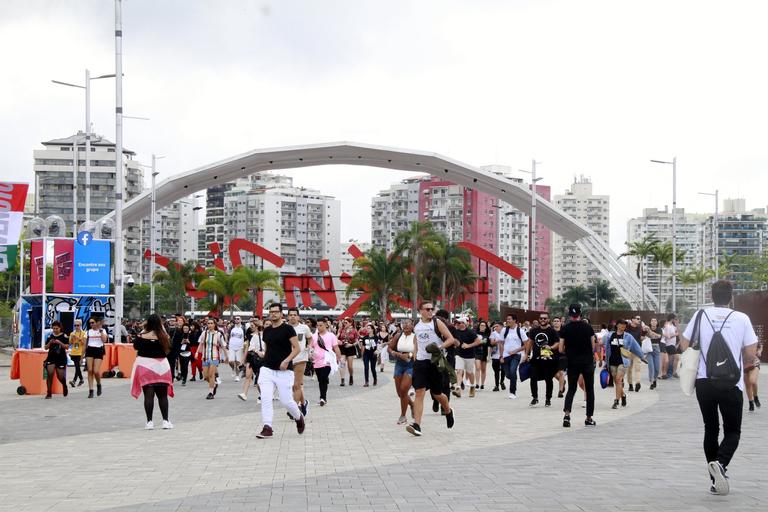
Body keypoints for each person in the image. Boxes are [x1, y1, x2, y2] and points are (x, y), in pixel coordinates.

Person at [680, 280, 758, 496]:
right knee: (732, 431)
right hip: (732, 383)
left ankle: (715, 479)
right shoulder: (742, 318)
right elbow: (751, 353)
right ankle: (721, 464)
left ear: (711, 296)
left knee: (710, 428)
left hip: (705, 381)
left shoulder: (700, 315)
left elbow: (684, 345)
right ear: (731, 297)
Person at [256, 303, 305, 439]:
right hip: (267, 369)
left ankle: (298, 416)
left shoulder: (288, 329)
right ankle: (267, 427)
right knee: (266, 398)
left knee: (286, 401)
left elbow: (296, 348)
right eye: (271, 312)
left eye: (276, 312)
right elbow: (268, 349)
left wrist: (287, 360)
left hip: (284, 371)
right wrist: (263, 355)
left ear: (281, 314)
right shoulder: (267, 331)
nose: (273, 314)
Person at [407, 301, 456, 437]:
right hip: (421, 363)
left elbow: (450, 339)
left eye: (431, 309)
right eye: (427, 309)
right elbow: (416, 339)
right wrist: (416, 353)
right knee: (419, 392)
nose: (430, 311)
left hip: (435, 362)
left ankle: (448, 410)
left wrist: (439, 348)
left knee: (437, 394)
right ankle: (417, 425)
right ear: (420, 311)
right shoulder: (416, 323)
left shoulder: (437, 323)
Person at [131, 314, 174, 430]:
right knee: (163, 396)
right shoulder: (164, 336)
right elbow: (169, 350)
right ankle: (165, 420)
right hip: (162, 368)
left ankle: (149, 422)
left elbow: (135, 347)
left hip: (145, 367)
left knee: (148, 396)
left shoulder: (141, 335)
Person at [558, 304, 597, 427]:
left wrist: (569, 352)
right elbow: (593, 346)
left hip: (572, 362)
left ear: (569, 314)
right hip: (587, 362)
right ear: (580, 314)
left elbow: (560, 348)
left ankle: (567, 416)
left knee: (571, 389)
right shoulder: (588, 327)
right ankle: (589, 418)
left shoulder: (565, 329)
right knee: (589, 390)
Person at [604, 319, 646, 409]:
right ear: (617, 325)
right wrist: (605, 361)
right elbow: (606, 348)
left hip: (623, 361)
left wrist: (642, 357)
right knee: (616, 381)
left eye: (625, 325)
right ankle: (623, 395)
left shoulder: (628, 336)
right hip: (612, 360)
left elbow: (636, 347)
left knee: (619, 380)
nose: (623, 326)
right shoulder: (610, 335)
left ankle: (616, 401)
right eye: (622, 325)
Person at [526, 313, 559, 407]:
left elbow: (557, 343)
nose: (543, 320)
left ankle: (548, 399)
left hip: (548, 359)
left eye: (545, 318)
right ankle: (535, 397)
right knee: (533, 377)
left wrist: (551, 347)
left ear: (548, 319)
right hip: (536, 358)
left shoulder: (552, 331)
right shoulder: (534, 330)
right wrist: (527, 354)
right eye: (541, 318)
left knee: (548, 379)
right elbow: (530, 342)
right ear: (539, 320)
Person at [388, 319, 415, 425]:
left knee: (404, 389)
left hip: (411, 364)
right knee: (400, 393)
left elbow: (419, 350)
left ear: (413, 326)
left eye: (408, 324)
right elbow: (389, 348)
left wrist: (409, 355)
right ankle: (412, 405)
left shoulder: (416, 336)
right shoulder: (398, 336)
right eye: (404, 324)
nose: (406, 325)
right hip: (399, 363)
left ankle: (403, 415)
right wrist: (397, 354)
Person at [310, 317, 342, 406]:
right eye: (318, 325)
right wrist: (310, 354)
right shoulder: (314, 336)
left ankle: (322, 398)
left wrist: (339, 358)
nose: (319, 327)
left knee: (323, 378)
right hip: (317, 361)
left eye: (321, 325)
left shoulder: (331, 335)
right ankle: (323, 396)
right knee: (321, 380)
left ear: (326, 325)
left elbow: (336, 347)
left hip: (327, 360)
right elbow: (311, 347)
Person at [286, 308, 311, 416]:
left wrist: (308, 346)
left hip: (301, 358)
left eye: (294, 315)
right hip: (288, 359)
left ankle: (294, 410)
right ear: (287, 317)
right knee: (293, 386)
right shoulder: (284, 328)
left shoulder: (304, 328)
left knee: (297, 384)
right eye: (290, 315)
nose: (292, 317)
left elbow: (310, 338)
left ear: (298, 317)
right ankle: (304, 402)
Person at [197, 318, 228, 399]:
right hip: (205, 357)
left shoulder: (218, 334)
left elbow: (223, 346)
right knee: (206, 376)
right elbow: (201, 343)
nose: (210, 325)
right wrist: (197, 352)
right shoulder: (204, 333)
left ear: (214, 324)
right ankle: (214, 384)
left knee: (211, 375)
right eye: (208, 323)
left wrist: (226, 356)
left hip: (214, 357)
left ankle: (211, 392)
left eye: (211, 323)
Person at [452, 316, 481, 398]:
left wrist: (468, 345)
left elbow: (478, 341)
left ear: (464, 324)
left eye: (461, 323)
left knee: (469, 372)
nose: (459, 324)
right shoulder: (456, 331)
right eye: (458, 323)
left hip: (469, 355)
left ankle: (472, 386)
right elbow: (453, 340)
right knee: (459, 371)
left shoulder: (470, 332)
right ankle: (458, 388)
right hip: (459, 354)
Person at [499, 314, 527, 400]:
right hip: (506, 356)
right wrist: (501, 356)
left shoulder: (520, 331)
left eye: (509, 319)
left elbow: (526, 344)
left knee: (512, 370)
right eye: (507, 319)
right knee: (508, 375)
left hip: (516, 355)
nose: (508, 321)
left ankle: (512, 392)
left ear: (515, 320)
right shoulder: (504, 330)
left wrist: (515, 351)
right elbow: (501, 343)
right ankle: (514, 378)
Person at [238, 319, 264, 402]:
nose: (251, 327)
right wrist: (243, 360)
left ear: (257, 326)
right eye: (250, 326)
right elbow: (248, 349)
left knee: (259, 380)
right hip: (252, 357)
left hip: (262, 358)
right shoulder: (250, 335)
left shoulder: (264, 335)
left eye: (252, 325)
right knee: (248, 376)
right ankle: (244, 394)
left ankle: (262, 395)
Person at [44, 320, 69, 398]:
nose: (55, 330)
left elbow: (67, 347)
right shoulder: (50, 336)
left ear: (60, 328)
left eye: (56, 328)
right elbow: (45, 348)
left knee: (60, 376)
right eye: (53, 328)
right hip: (51, 357)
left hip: (61, 358)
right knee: (50, 374)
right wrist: (50, 342)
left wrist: (59, 343)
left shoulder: (64, 336)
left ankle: (64, 386)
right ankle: (49, 393)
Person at [85, 317, 108, 398]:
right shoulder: (88, 332)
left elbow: (104, 340)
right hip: (90, 350)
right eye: (90, 323)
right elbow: (85, 344)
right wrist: (81, 356)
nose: (91, 324)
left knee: (96, 371)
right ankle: (91, 390)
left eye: (93, 322)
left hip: (99, 350)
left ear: (97, 323)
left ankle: (98, 384)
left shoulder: (103, 330)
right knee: (90, 370)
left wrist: (100, 331)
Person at [338, 319, 359, 386]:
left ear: (350, 323)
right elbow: (337, 337)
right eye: (344, 322)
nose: (344, 324)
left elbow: (357, 341)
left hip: (350, 348)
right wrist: (338, 341)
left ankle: (351, 376)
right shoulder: (341, 330)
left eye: (346, 322)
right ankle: (342, 380)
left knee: (350, 366)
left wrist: (352, 344)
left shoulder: (354, 331)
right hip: (342, 347)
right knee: (342, 363)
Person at [744, 340, 762, 412]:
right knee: (747, 385)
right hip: (744, 363)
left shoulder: (752, 337)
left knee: (753, 381)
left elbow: (760, 346)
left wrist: (759, 351)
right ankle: (751, 403)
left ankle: (755, 397)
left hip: (754, 362)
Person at [68, 319, 86, 387]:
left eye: (77, 325)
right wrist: (72, 338)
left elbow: (84, 343)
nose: (76, 327)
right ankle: (81, 379)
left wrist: (78, 338)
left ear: (80, 325)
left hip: (80, 352)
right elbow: (70, 343)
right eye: (75, 325)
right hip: (73, 352)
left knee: (77, 366)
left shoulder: (84, 333)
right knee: (77, 366)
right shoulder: (72, 333)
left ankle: (74, 380)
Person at [227, 316, 246, 382]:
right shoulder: (232, 327)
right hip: (231, 346)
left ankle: (237, 376)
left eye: (238, 319)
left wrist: (245, 346)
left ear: (241, 320)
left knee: (238, 362)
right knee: (230, 362)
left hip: (240, 347)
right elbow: (227, 334)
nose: (236, 320)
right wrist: (227, 342)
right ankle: (233, 368)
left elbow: (245, 337)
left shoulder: (243, 328)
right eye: (235, 319)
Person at [360, 322, 379, 386]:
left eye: (369, 328)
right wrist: (362, 355)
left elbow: (378, 346)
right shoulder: (365, 337)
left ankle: (375, 379)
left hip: (373, 354)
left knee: (372, 368)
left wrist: (377, 352)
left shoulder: (376, 337)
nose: (367, 329)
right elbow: (363, 346)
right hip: (366, 354)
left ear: (372, 329)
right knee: (366, 367)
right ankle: (366, 381)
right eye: (367, 328)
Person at [661, 314, 679, 379]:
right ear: (672, 319)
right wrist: (676, 334)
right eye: (675, 319)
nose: (675, 320)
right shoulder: (667, 325)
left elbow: (677, 331)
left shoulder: (673, 326)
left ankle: (672, 372)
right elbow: (668, 336)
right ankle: (670, 373)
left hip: (673, 344)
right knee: (674, 358)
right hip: (669, 344)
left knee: (673, 359)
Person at [646, 318, 663, 389]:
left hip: (657, 349)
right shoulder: (646, 329)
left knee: (657, 368)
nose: (653, 322)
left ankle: (655, 379)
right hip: (649, 349)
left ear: (657, 322)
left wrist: (650, 332)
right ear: (650, 322)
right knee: (651, 367)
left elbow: (658, 336)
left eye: (655, 320)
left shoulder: (659, 329)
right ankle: (651, 382)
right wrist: (650, 333)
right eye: (652, 320)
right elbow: (648, 336)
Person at [474, 321, 491, 390]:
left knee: (483, 369)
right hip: (477, 352)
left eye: (484, 325)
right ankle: (477, 384)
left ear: (486, 327)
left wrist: (489, 356)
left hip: (484, 352)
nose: (482, 326)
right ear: (479, 326)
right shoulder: (475, 334)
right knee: (478, 367)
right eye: (481, 325)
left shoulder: (488, 335)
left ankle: (482, 384)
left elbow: (489, 346)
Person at [489, 323, 506, 392]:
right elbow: (491, 343)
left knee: (503, 370)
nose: (495, 327)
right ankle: (496, 386)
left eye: (497, 326)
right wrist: (498, 341)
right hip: (495, 355)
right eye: (495, 326)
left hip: (504, 354)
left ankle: (501, 382)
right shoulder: (493, 333)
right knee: (496, 371)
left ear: (501, 327)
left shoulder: (505, 332)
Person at [552, 317, 566, 397]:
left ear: (561, 323)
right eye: (555, 321)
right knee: (553, 373)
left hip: (562, 355)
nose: (556, 322)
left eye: (558, 321)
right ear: (552, 323)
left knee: (561, 372)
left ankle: (560, 391)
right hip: (552, 355)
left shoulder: (563, 332)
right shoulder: (550, 332)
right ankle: (563, 382)